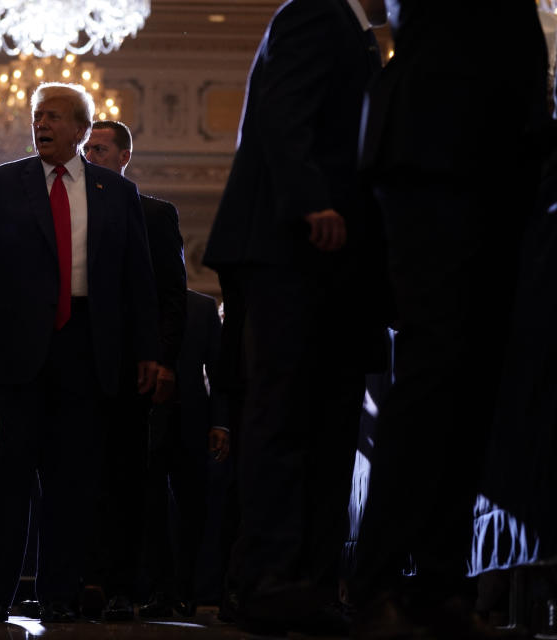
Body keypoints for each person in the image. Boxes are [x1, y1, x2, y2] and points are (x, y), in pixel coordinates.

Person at [348, 3, 550, 637]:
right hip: (436, 154)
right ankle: (376, 583)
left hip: (500, 162)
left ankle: (440, 584)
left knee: (476, 383)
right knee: (435, 372)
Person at [201, 0, 388, 633]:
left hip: (335, 260)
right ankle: (269, 580)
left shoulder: (356, 34)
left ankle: (306, 582)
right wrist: (312, 201)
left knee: (326, 422)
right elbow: (284, 115)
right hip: (295, 247)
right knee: (287, 418)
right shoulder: (315, 12)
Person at [0, 82, 159, 623]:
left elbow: (140, 282)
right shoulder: (3, 183)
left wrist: (148, 352)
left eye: (56, 117)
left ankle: (59, 594)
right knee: (12, 477)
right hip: (23, 351)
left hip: (90, 348)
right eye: (38, 116)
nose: (42, 125)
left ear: (83, 131)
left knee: (73, 482)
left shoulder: (117, 192)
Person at [81, 119, 188, 620]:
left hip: (132, 367)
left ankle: (128, 584)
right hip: (78, 364)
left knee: (131, 476)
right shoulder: (72, 212)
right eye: (87, 147)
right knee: (79, 477)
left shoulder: (155, 214)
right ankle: (83, 581)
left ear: (124, 156)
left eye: (100, 147)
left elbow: (171, 297)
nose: (90, 154)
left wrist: (164, 360)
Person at [138, 288, 231, 618]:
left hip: (190, 420)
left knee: (193, 511)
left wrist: (221, 423)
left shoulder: (203, 308)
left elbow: (219, 375)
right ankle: (162, 591)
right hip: (144, 420)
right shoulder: (137, 300)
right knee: (150, 509)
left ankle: (184, 590)